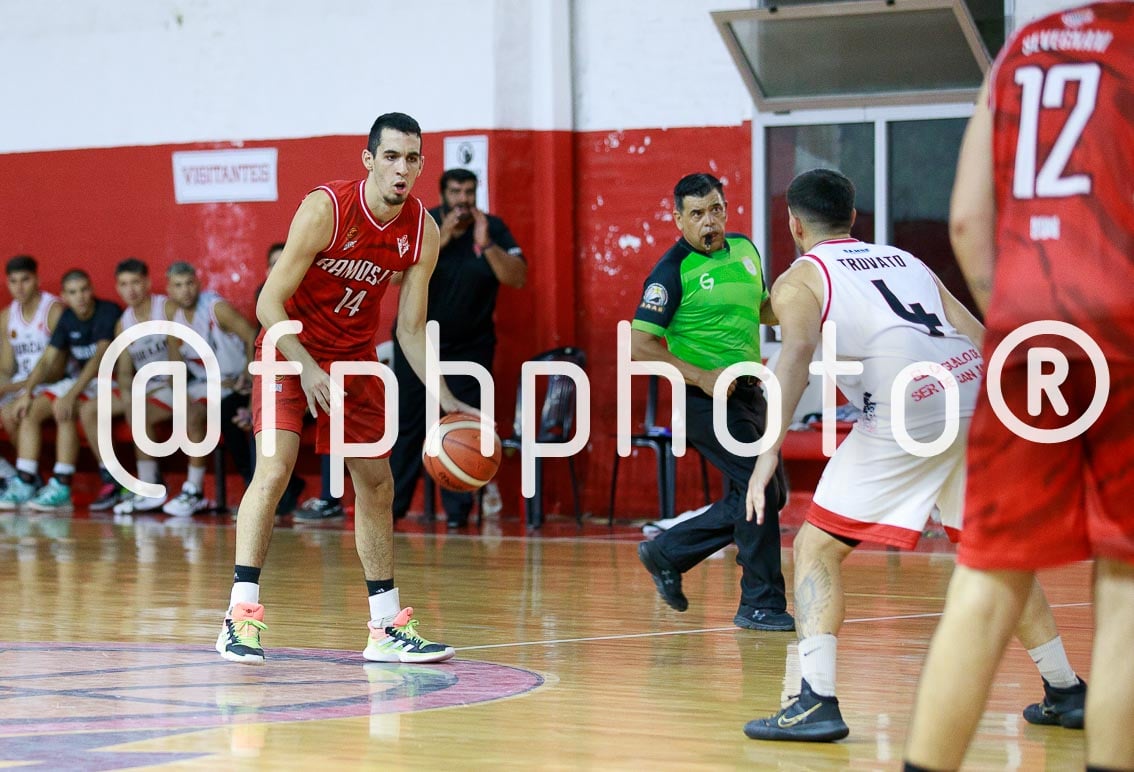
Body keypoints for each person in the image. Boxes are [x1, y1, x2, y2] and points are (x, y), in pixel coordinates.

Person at [740, 169, 1083, 743]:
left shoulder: (801, 279)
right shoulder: (905, 261)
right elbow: (978, 331)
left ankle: (815, 701)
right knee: (994, 555)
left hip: (908, 408)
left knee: (815, 547)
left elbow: (795, 354)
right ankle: (1066, 689)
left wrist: (767, 451)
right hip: (974, 393)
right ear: (854, 219)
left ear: (793, 224)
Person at [905, 5, 1134, 770]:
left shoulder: (1025, 47)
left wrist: (1022, 323)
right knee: (1126, 583)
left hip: (1029, 330)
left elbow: (968, 221)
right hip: (1126, 330)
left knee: (989, 575)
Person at [216, 112, 474, 666]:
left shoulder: (422, 232)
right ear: (369, 160)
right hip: (288, 345)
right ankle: (240, 617)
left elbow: (408, 329)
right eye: (391, 157)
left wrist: (447, 396)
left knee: (377, 485)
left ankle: (385, 628)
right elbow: (267, 303)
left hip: (353, 357)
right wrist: (306, 367)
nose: (402, 169)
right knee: (276, 469)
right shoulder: (326, 209)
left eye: (412, 159)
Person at [632, 172, 793, 632]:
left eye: (716, 209)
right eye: (698, 213)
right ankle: (761, 603)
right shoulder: (671, 272)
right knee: (762, 490)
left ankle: (668, 551)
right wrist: (702, 377)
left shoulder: (745, 250)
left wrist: (802, 305)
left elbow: (760, 308)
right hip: (704, 400)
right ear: (679, 218)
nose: (710, 221)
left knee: (765, 491)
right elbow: (639, 344)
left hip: (750, 392)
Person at [388, 168, 526, 528]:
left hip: (472, 348)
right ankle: (392, 510)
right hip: (419, 343)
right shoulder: (424, 224)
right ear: (443, 194)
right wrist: (442, 239)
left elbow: (518, 277)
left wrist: (487, 245)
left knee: (463, 425)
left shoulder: (493, 228)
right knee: (409, 425)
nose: (463, 199)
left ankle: (458, 516)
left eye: (469, 191)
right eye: (455, 192)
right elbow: (394, 276)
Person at [0, 269, 121, 512]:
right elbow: (46, 360)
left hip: (108, 381)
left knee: (64, 407)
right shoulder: (67, 318)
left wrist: (71, 394)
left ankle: (63, 483)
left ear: (92, 289)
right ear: (64, 295)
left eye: (85, 290)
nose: (81, 297)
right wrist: (27, 392)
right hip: (81, 383)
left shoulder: (107, 311)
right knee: (30, 410)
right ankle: (26, 480)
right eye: (74, 292)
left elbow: (99, 358)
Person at [162, 261, 258, 517]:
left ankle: (194, 489)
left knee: (226, 418)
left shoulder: (216, 308)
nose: (186, 290)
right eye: (179, 286)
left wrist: (249, 374)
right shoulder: (175, 321)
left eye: (190, 283)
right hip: (205, 385)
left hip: (235, 383)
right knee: (157, 412)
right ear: (169, 290)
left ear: (199, 283)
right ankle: (150, 483)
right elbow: (174, 368)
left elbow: (252, 335)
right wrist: (182, 398)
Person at [83, 258, 170, 513]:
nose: (130, 289)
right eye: (123, 284)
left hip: (175, 383)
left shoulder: (166, 308)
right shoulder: (124, 322)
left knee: (138, 410)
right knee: (89, 410)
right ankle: (113, 480)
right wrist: (128, 393)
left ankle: (150, 484)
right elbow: (123, 371)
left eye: (135, 282)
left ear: (148, 283)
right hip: (147, 387)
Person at [230, 242, 307, 517]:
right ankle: (257, 490)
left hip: (312, 382)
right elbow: (261, 345)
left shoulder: (309, 294)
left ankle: (323, 499)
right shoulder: (266, 296)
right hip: (277, 379)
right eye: (273, 264)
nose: (279, 268)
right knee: (230, 412)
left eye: (283, 262)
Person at [0, 255, 64, 484]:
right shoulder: (8, 316)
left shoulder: (53, 310)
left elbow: (56, 370)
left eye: (25, 279)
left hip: (53, 382)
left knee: (12, 413)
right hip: (22, 383)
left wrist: (9, 387)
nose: (19, 287)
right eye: (13, 281)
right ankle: (8, 473)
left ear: (37, 279)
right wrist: (4, 385)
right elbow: (7, 367)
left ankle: (28, 477)